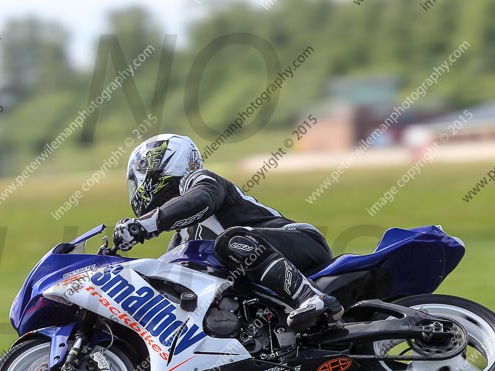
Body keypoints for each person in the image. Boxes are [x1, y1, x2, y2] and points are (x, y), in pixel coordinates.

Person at [113, 133, 342, 331]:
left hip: (301, 241)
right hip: (264, 272)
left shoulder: (202, 180)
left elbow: (201, 199)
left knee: (230, 240)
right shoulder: (183, 237)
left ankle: (311, 297)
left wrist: (144, 225)